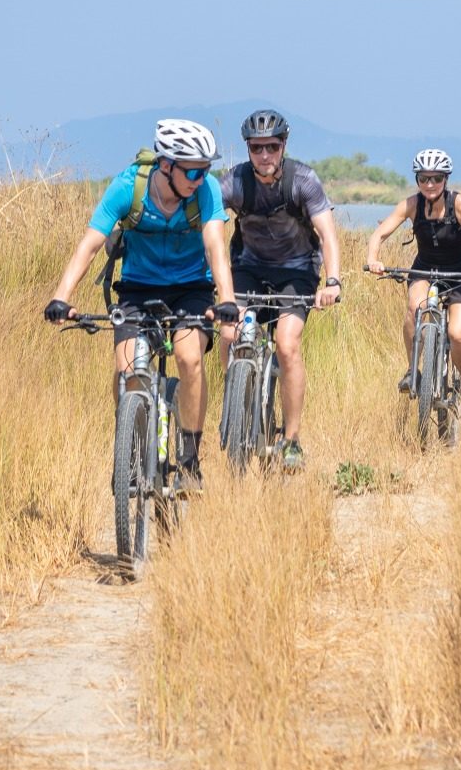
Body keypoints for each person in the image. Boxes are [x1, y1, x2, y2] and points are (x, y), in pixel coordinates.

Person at [43, 119, 238, 493]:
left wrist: (227, 299)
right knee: (128, 371)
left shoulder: (206, 190)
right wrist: (61, 297)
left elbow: (216, 248)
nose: (200, 179)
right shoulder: (127, 187)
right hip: (137, 289)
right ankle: (129, 451)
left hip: (192, 289)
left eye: (205, 170)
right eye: (193, 171)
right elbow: (90, 245)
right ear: (166, 165)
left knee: (189, 359)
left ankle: (190, 461)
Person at [216, 109, 343, 473]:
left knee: (287, 345)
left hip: (296, 272)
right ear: (248, 149)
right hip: (248, 268)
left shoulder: (302, 180)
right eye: (257, 148)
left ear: (283, 145)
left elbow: (327, 236)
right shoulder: (234, 181)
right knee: (229, 332)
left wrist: (332, 281)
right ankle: (236, 397)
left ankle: (291, 439)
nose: (264, 155)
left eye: (271, 146)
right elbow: (206, 223)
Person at [362, 148, 461, 401]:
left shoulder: (460, 205)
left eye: (436, 178)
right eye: (424, 178)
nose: (430, 184)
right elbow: (379, 234)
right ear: (417, 180)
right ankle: (413, 371)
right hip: (424, 269)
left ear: (445, 179)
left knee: (458, 335)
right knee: (414, 308)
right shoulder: (411, 204)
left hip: (460, 274)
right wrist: (373, 259)